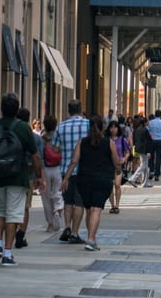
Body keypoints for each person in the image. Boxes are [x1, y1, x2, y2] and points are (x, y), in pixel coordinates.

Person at [0, 92, 45, 266]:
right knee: (13, 214)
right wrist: (38, 176)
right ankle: (8, 253)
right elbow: (36, 155)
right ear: (16, 110)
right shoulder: (23, 128)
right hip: (18, 177)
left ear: (1, 108)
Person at [62, 115, 119, 251]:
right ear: (103, 127)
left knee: (89, 209)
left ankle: (90, 236)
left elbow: (74, 161)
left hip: (84, 180)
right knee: (96, 209)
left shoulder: (82, 142)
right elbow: (116, 160)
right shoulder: (108, 143)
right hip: (102, 179)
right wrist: (118, 169)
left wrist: (66, 178)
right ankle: (91, 239)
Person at [56, 100, 91, 244]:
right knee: (80, 202)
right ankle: (75, 233)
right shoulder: (88, 124)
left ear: (68, 110)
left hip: (65, 170)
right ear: (81, 109)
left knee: (68, 200)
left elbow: (55, 148)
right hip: (83, 169)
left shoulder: (61, 126)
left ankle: (67, 227)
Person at [14, 107, 42, 248]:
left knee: (12, 207)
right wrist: (39, 177)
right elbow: (38, 157)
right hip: (28, 175)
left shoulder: (11, 134)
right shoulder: (35, 138)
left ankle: (11, 233)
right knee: (25, 208)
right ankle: (21, 234)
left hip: (11, 174)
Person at [40, 115, 64, 232]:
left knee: (45, 196)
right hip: (58, 168)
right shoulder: (59, 136)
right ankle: (58, 209)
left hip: (45, 168)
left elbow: (39, 156)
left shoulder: (42, 139)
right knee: (57, 192)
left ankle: (50, 223)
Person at [107, 120, 130, 214]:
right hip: (108, 165)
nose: (113, 129)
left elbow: (128, 152)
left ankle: (117, 205)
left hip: (118, 165)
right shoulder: (106, 139)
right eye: (111, 127)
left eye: (115, 127)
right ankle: (112, 205)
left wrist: (124, 158)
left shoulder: (122, 140)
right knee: (109, 186)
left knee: (117, 185)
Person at [129, 116, 152, 187]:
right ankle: (133, 178)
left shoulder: (137, 129)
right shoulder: (145, 130)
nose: (149, 122)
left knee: (145, 165)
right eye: (148, 121)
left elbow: (135, 140)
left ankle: (145, 182)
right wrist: (148, 151)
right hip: (144, 149)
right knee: (143, 165)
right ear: (145, 122)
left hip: (139, 149)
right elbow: (147, 141)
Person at [147, 110, 161, 182]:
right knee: (158, 158)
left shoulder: (150, 123)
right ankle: (157, 174)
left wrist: (151, 137)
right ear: (160, 115)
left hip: (152, 141)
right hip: (160, 141)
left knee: (151, 157)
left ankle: (151, 171)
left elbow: (149, 132)